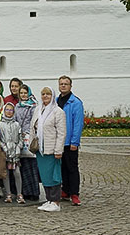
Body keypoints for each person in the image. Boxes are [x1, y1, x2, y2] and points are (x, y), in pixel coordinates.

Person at [31, 87, 66, 212]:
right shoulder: (38, 110)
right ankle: (49, 199)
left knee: (54, 175)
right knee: (45, 175)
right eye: (43, 94)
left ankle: (56, 201)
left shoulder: (58, 112)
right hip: (41, 148)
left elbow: (61, 133)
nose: (45, 96)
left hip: (51, 148)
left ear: (52, 96)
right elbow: (32, 127)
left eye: (48, 94)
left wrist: (58, 150)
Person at [57, 75, 83, 206]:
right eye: (61, 84)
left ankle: (74, 193)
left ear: (70, 86)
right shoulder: (56, 101)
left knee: (72, 168)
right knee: (62, 168)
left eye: (65, 84)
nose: (63, 86)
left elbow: (78, 124)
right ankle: (65, 190)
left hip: (69, 141)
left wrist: (75, 142)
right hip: (59, 141)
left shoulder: (75, 103)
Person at [15, 84, 41, 201]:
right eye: (21, 93)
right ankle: (25, 191)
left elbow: (35, 121)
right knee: (23, 165)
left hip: (29, 137)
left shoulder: (34, 106)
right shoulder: (17, 106)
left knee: (32, 165)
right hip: (20, 137)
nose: (23, 95)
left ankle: (34, 192)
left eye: (25, 93)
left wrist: (28, 132)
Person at [0, 102, 24, 203]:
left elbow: (20, 138)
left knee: (17, 173)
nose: (9, 112)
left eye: (11, 110)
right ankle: (8, 193)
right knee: (6, 174)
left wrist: (18, 148)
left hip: (15, 152)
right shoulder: (0, 124)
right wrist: (4, 148)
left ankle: (19, 193)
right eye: (7, 110)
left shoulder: (16, 124)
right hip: (5, 152)